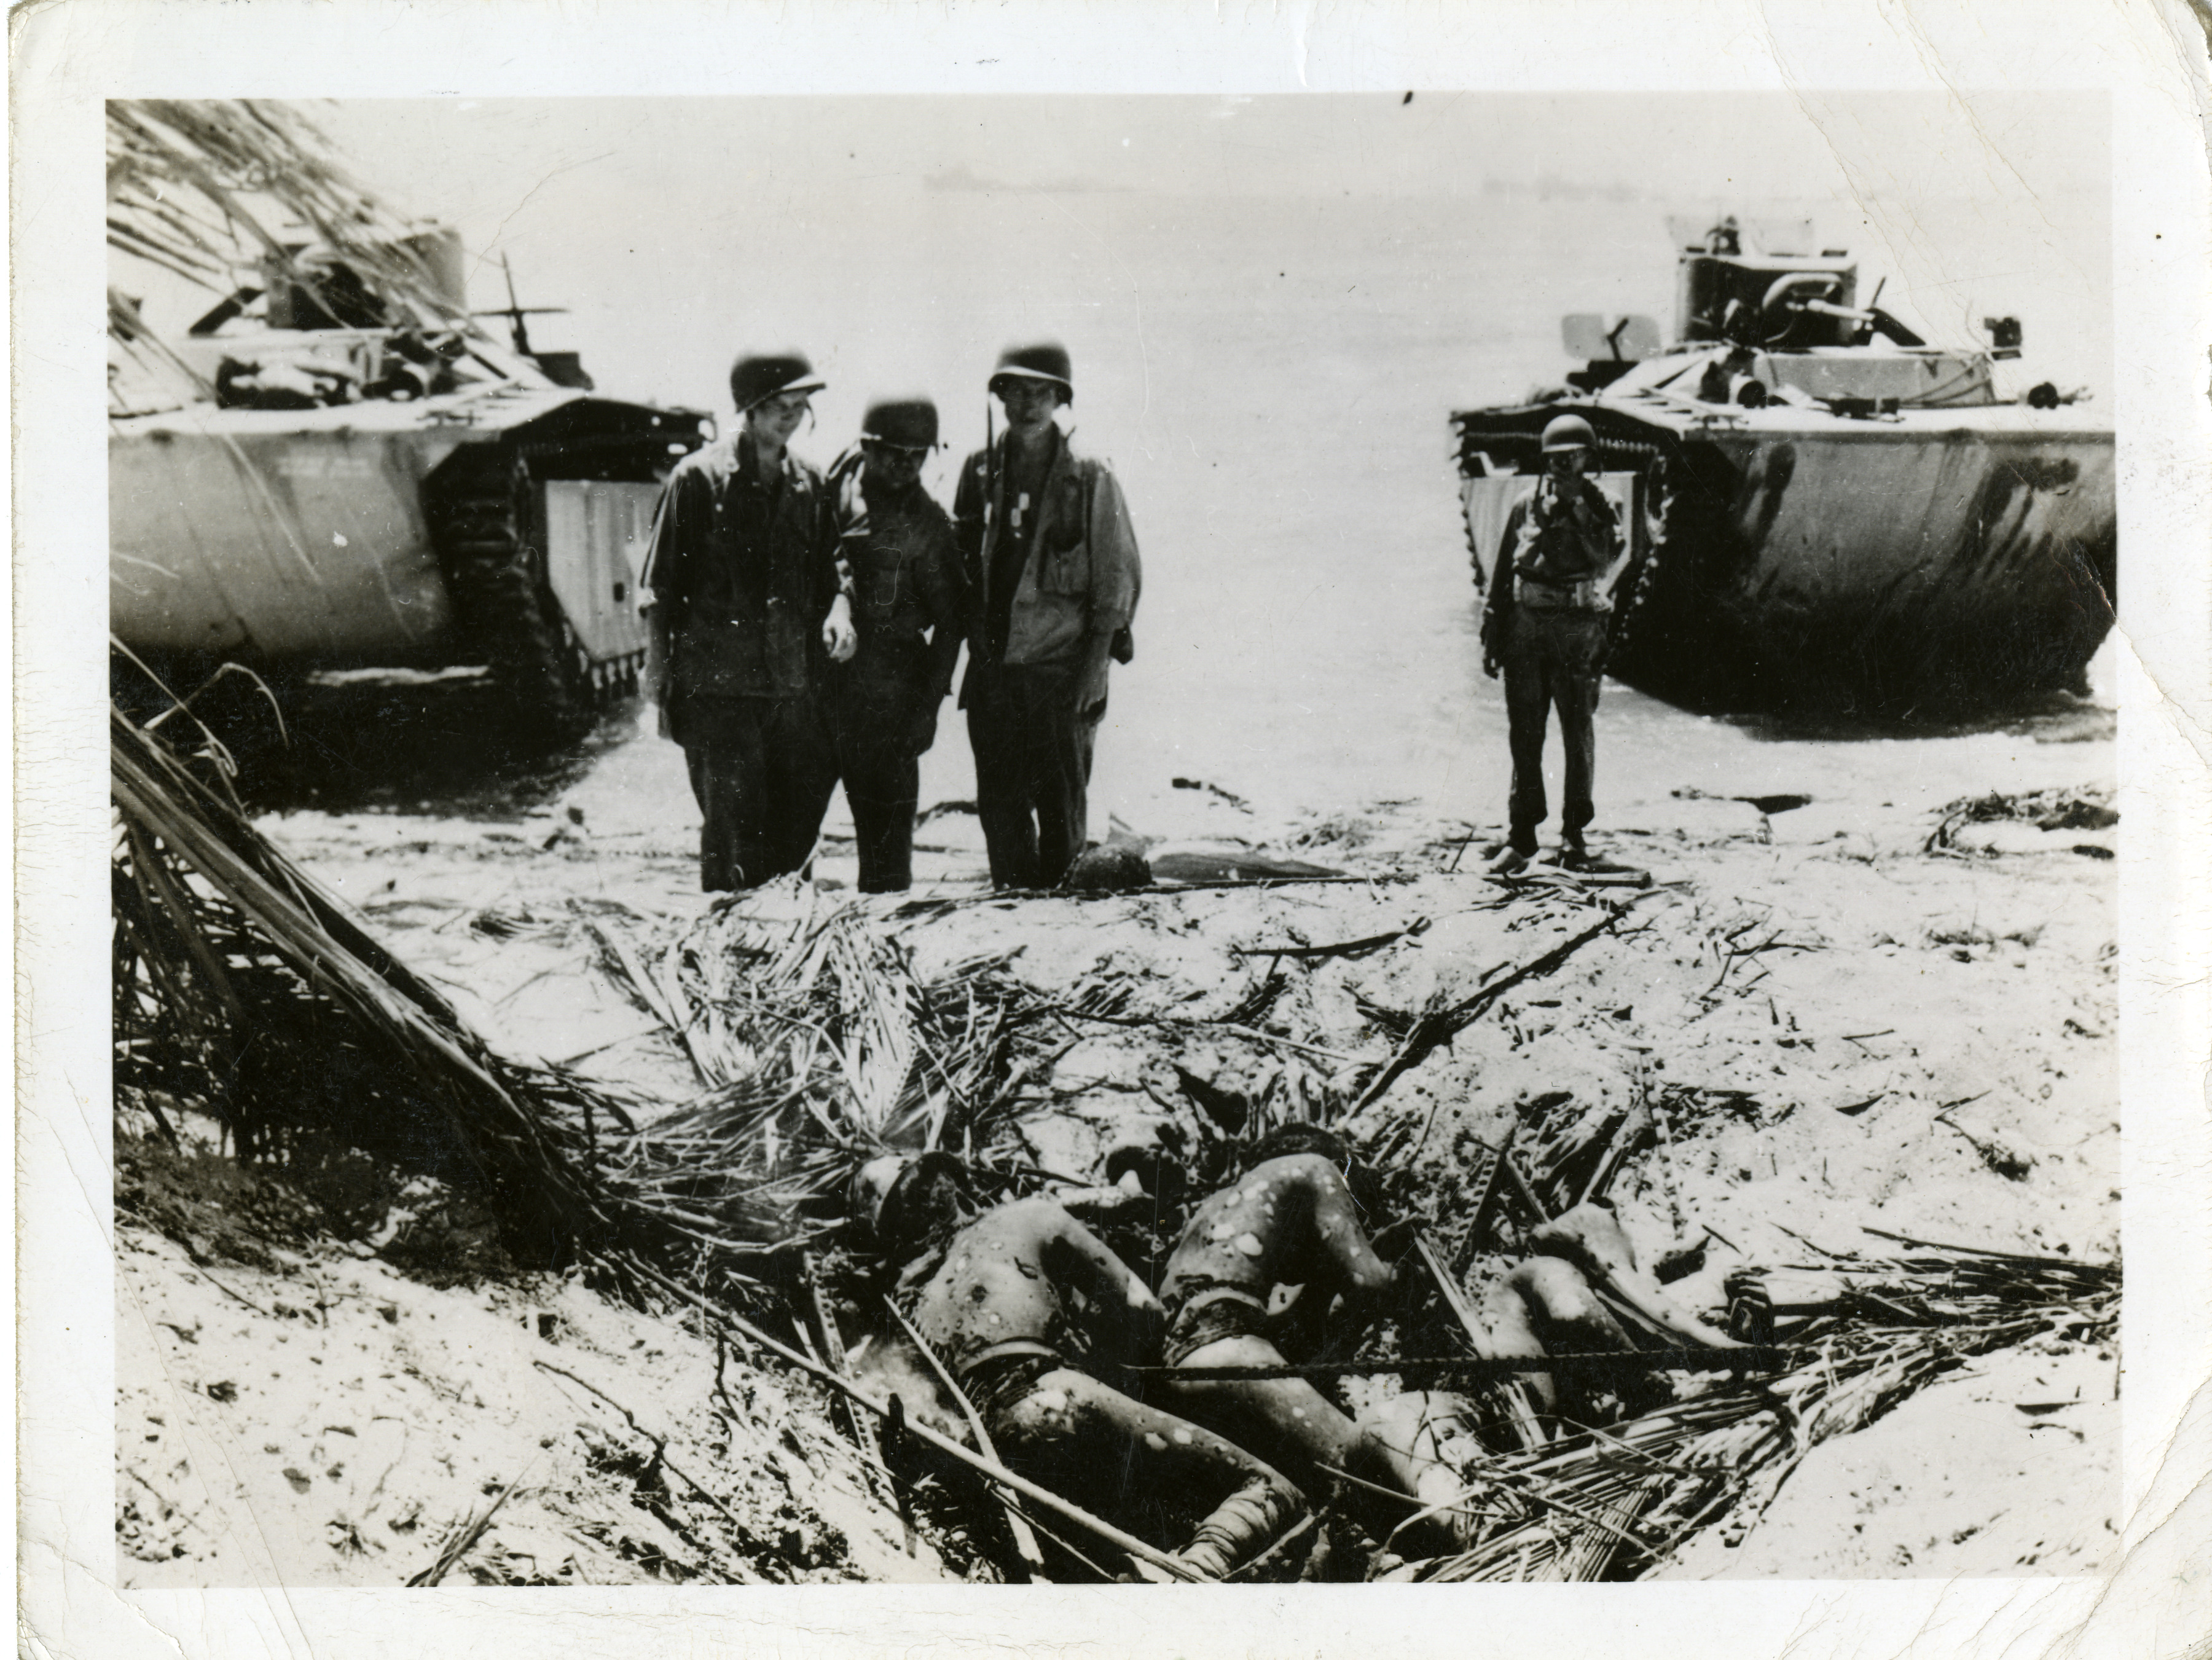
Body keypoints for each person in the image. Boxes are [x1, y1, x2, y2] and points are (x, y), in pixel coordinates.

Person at [855, 1152, 1301, 1581]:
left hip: (995, 1461)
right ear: (952, 1188)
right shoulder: (1025, 1215)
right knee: (1268, 1488)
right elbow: (1143, 1312)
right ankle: (1196, 1578)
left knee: (1112, 1567)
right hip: (1056, 1398)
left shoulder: (902, 1307)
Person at [1155, 1127, 1462, 1533]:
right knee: (1373, 1477)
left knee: (1311, 1503)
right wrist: (1397, 1261)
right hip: (1231, 1350)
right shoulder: (1318, 1168)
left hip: (1181, 1366)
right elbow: (1368, 1283)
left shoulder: (1220, 1206)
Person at [641, 353, 857, 891]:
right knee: (732, 838)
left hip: (791, 692)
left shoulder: (810, 483)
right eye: (778, 407)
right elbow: (659, 588)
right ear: (751, 410)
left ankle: (788, 954)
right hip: (719, 693)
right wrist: (657, 673)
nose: (790, 417)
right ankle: (732, 952)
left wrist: (839, 609)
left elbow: (836, 573)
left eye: (798, 407)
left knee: (795, 834)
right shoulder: (696, 479)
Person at [953, 344, 1142, 889]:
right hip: (993, 672)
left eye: (1043, 392)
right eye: (1017, 391)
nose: (1029, 404)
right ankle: (1015, 913)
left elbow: (1116, 579)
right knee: (1000, 809)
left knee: (1061, 814)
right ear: (1001, 396)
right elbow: (962, 564)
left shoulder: (1090, 476)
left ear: (1061, 399)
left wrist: (1095, 670)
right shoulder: (980, 469)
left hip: (1059, 672)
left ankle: (1062, 923)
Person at [1479, 413, 1630, 876]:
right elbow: (1505, 569)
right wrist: (1492, 626)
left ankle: (1573, 834)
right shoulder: (1527, 505)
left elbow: (1608, 558)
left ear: (1588, 459)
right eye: (1556, 459)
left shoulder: (1606, 505)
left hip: (1577, 629)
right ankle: (1522, 834)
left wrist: (1578, 511)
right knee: (1525, 732)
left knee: (1576, 733)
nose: (1564, 466)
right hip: (1526, 628)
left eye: (1573, 457)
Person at [826, 399, 966, 892]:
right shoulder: (830, 491)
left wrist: (926, 709)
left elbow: (952, 625)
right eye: (893, 453)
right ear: (866, 446)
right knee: (792, 830)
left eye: (918, 454)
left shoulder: (929, 524)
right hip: (817, 688)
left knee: (886, 855)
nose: (906, 465)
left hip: (888, 699)